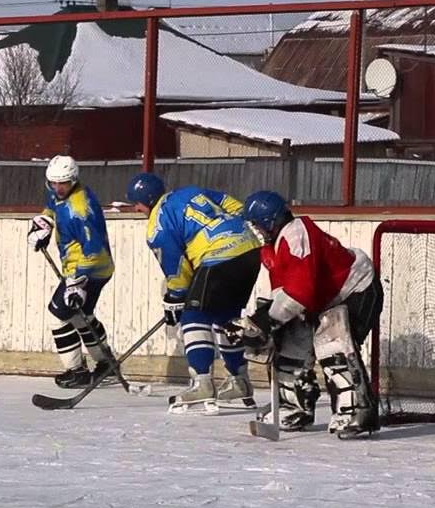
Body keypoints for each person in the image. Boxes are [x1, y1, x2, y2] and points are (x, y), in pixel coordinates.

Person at [233, 190, 384, 439]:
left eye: (257, 224)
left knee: (332, 343)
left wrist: (267, 321)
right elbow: (284, 293)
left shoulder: (296, 234)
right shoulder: (273, 247)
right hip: (323, 296)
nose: (256, 230)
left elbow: (300, 292)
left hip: (355, 288)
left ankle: (355, 410)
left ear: (270, 221)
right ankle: (294, 407)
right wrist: (262, 321)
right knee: (291, 343)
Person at [125, 173, 262, 413]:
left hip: (218, 257)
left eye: (135, 203)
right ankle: (240, 380)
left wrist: (176, 296)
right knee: (225, 317)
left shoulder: (157, 223)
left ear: (145, 200)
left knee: (193, 317)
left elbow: (175, 266)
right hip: (249, 250)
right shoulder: (189, 191)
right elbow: (234, 205)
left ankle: (202, 383)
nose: (136, 209)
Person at [28, 155, 116, 388]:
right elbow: (50, 209)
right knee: (80, 315)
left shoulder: (81, 209)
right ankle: (106, 363)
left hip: (91, 269)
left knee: (58, 316)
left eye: (63, 183)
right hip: (79, 269)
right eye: (53, 183)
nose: (57, 188)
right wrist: (43, 226)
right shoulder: (56, 192)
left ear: (73, 180)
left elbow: (94, 249)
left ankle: (76, 371)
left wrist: (77, 283)